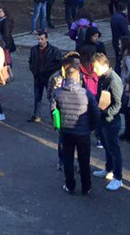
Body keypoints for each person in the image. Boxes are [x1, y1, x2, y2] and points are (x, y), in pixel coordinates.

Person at [51, 63, 100, 195]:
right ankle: (86, 186)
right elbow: (95, 112)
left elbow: (54, 112)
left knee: (68, 159)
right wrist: (91, 127)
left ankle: (70, 185)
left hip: (66, 132)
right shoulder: (87, 94)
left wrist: (57, 126)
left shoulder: (57, 93)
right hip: (83, 133)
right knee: (84, 160)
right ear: (78, 78)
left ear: (65, 78)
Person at [92, 52, 124, 191]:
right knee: (106, 145)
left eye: (96, 67)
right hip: (103, 117)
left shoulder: (113, 80)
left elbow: (118, 104)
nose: (94, 70)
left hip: (111, 120)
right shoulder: (103, 77)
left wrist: (108, 115)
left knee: (114, 148)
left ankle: (118, 177)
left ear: (104, 65)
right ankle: (108, 169)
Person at [27, 31, 63, 123]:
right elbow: (30, 61)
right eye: (38, 39)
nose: (40, 41)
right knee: (37, 97)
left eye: (42, 39)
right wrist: (33, 71)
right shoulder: (34, 50)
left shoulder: (54, 50)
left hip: (49, 78)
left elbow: (59, 64)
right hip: (38, 77)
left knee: (53, 99)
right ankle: (36, 115)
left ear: (46, 39)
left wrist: (50, 72)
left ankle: (57, 119)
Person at [110, 3, 130, 74]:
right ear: (125, 9)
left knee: (118, 59)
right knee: (121, 60)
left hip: (115, 40)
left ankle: (117, 73)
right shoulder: (122, 19)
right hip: (122, 42)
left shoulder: (113, 17)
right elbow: (125, 31)